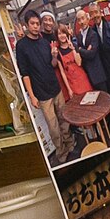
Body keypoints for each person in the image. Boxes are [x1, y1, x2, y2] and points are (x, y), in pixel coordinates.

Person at [13, 11, 64, 163]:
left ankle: (69, 144)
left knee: (64, 119)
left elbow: (52, 65)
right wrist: (32, 96)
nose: (36, 26)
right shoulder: (21, 46)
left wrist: (54, 55)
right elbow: (25, 74)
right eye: (32, 24)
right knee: (53, 127)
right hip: (42, 93)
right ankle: (61, 153)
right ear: (27, 25)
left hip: (56, 88)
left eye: (37, 23)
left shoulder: (43, 42)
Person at [53, 22, 94, 101]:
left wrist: (73, 49)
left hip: (82, 79)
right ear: (57, 36)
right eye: (59, 34)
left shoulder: (74, 45)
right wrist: (69, 89)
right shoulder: (57, 52)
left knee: (90, 101)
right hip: (72, 83)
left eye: (64, 33)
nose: (62, 36)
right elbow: (62, 73)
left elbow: (79, 63)